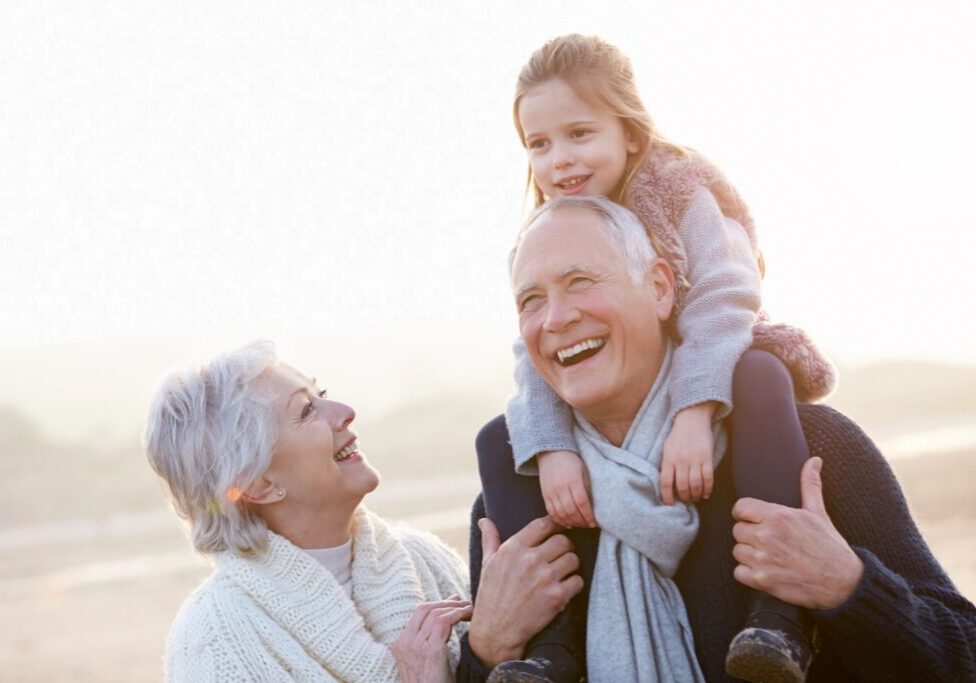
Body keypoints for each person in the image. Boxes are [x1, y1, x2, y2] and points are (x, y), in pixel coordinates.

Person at [465, 196, 976, 682]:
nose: (556, 318)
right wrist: (485, 650)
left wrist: (848, 586)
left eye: (580, 281)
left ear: (661, 288)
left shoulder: (810, 448)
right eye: (531, 300)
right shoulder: (515, 504)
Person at [488, 33, 833, 682]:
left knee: (761, 373)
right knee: (498, 438)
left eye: (579, 134)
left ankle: (784, 613)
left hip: (714, 356)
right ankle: (550, 646)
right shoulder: (546, 229)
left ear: (630, 130)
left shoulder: (679, 188)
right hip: (617, 399)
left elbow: (727, 294)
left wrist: (695, 411)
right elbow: (533, 345)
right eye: (538, 144)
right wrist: (552, 445)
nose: (559, 160)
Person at [144, 341, 477, 682]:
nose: (344, 410)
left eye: (323, 394)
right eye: (305, 410)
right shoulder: (213, 641)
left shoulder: (424, 558)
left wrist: (495, 646)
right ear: (257, 484)